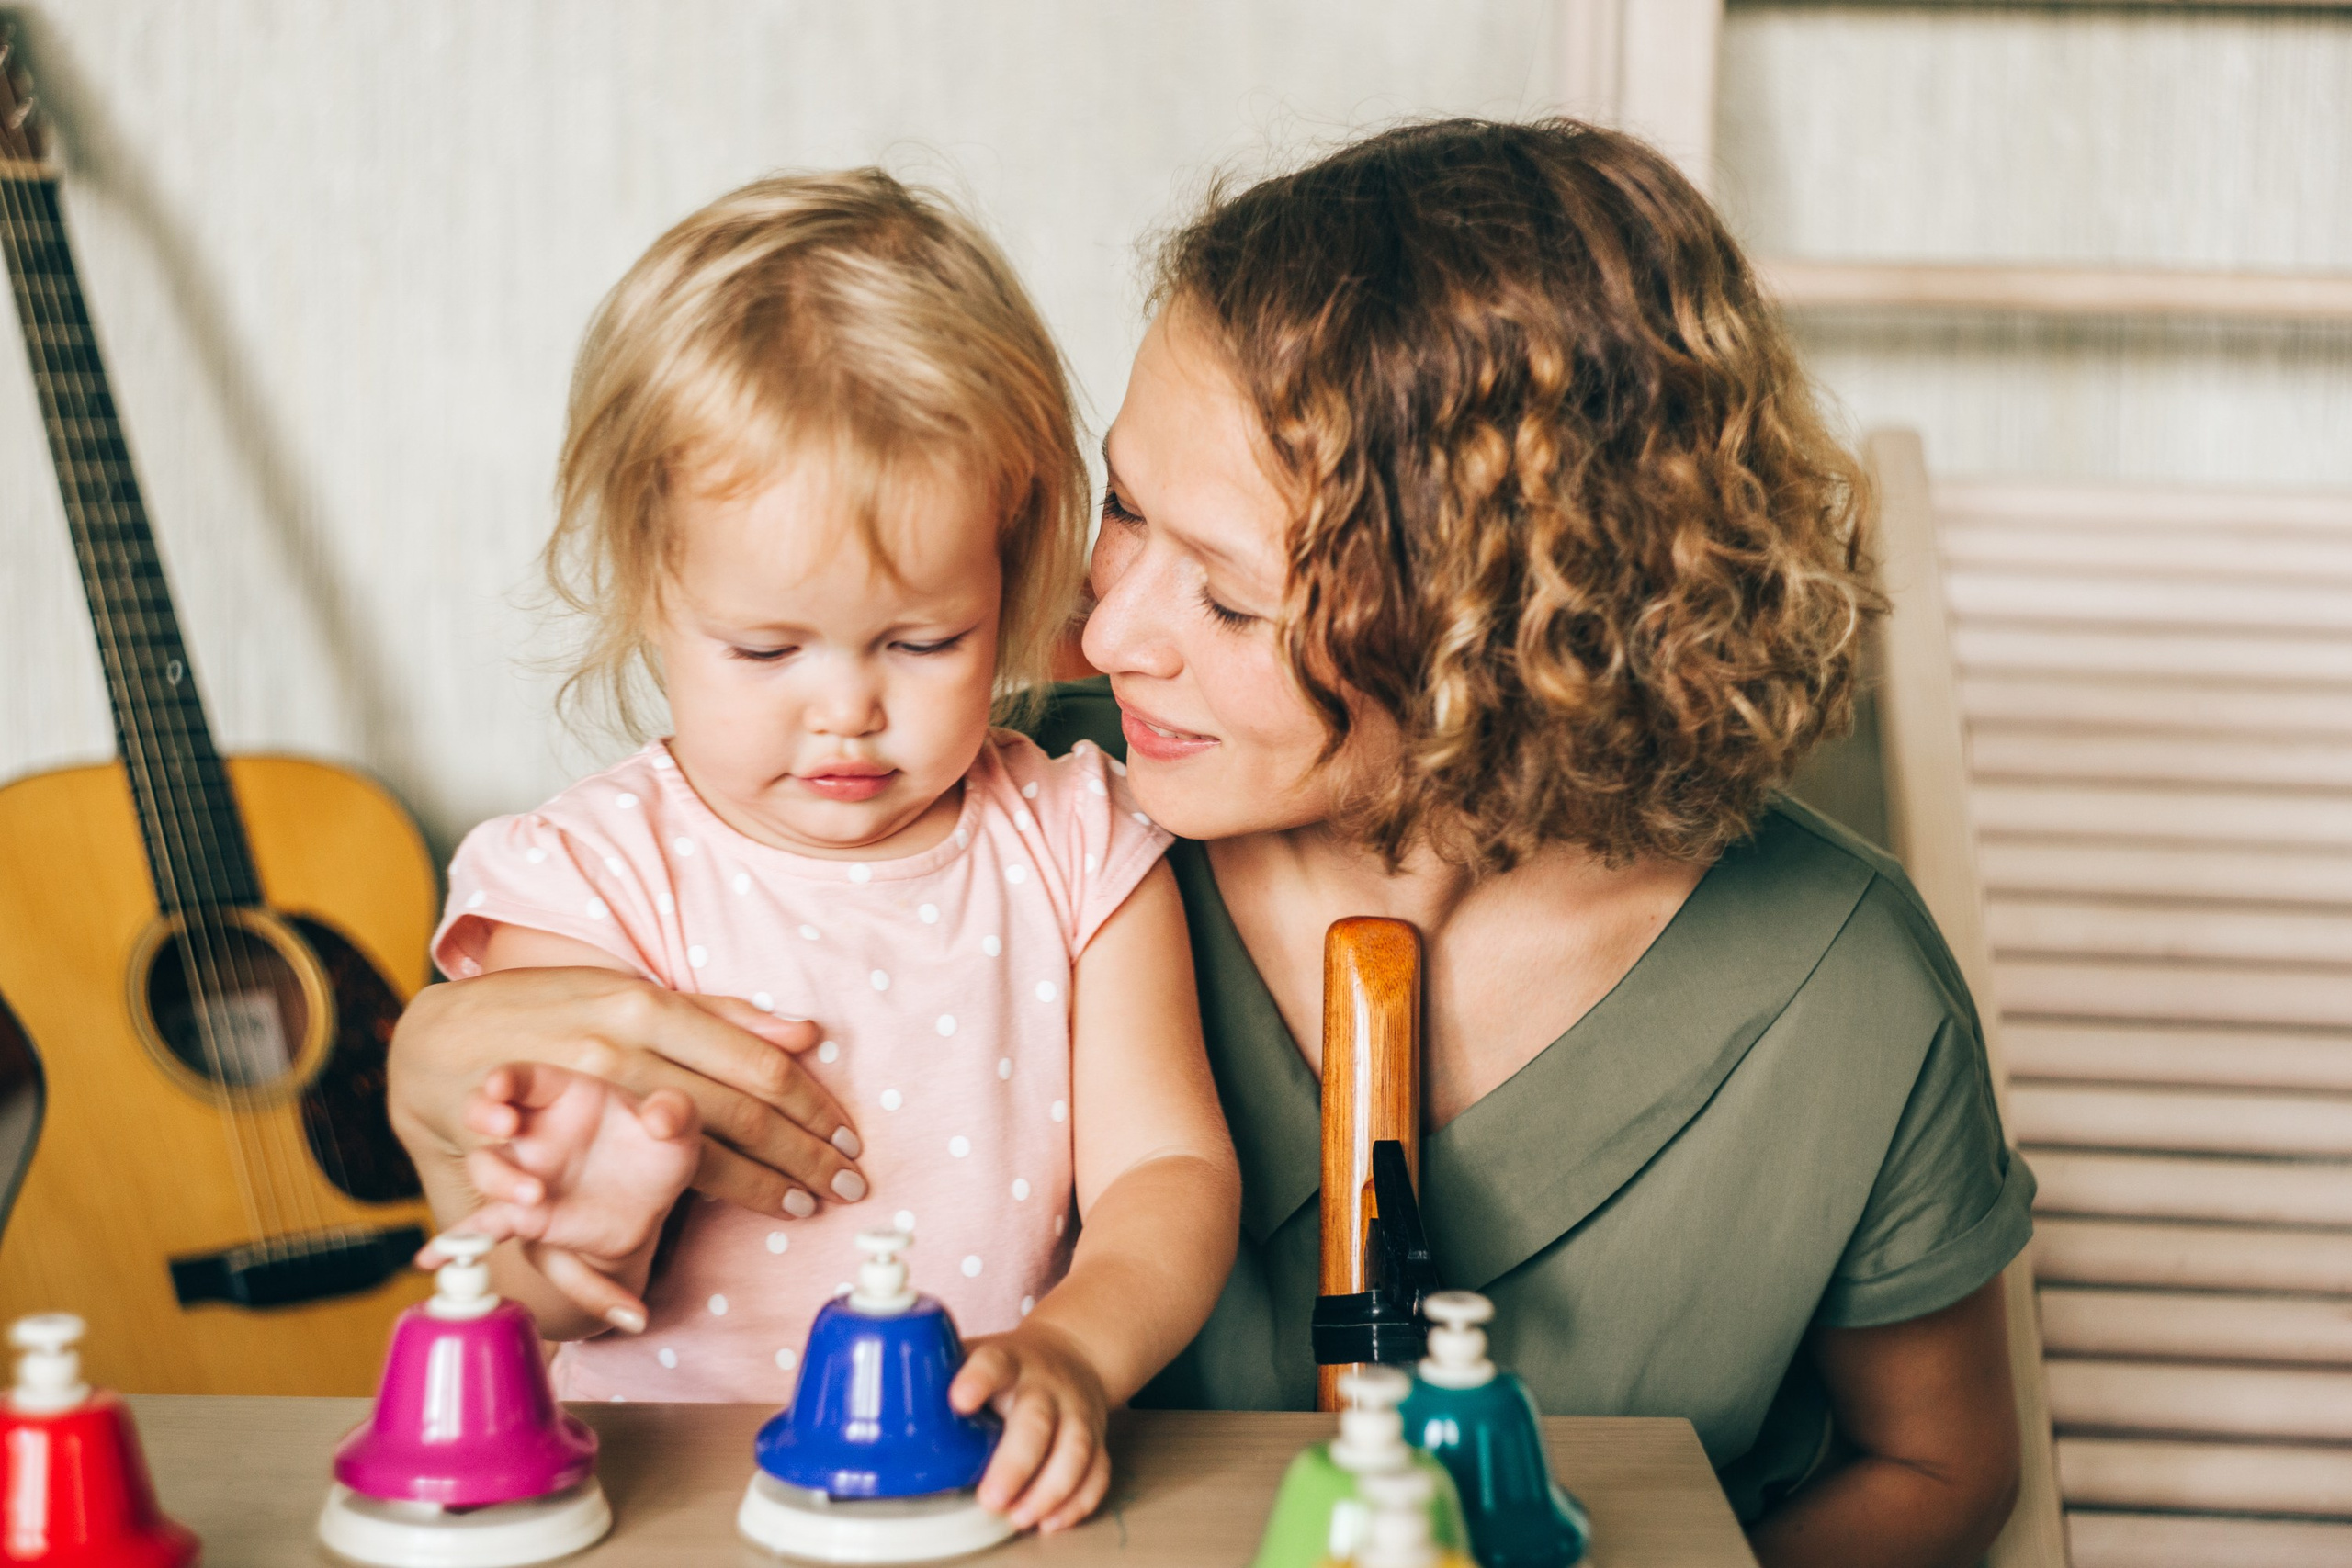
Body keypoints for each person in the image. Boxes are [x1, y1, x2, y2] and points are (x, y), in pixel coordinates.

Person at [391, 121, 2030, 1567]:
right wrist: (443, 1068)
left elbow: (1942, 1475)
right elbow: (541, 1195)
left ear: (1511, 639)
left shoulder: (1845, 995)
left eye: (1232, 600)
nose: (1105, 635)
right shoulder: (1001, 790)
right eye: (1123, 511)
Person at [403, 169, 1239, 1539]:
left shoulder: (1080, 841)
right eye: (765, 649)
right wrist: (579, 1234)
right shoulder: (586, 881)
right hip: (663, 1507)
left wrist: (1078, 1352)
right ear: (648, 586)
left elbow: (1171, 1175)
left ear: (1011, 570)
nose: (847, 709)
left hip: (975, 1486)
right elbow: (529, 1295)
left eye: (922, 641)